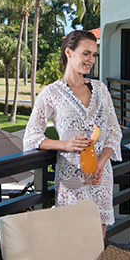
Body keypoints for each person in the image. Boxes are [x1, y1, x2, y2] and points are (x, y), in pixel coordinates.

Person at [23, 30, 122, 236]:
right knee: (73, 240)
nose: (91, 60)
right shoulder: (51, 93)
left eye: (93, 54)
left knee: (97, 241)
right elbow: (32, 135)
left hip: (101, 177)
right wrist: (65, 145)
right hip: (71, 179)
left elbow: (114, 132)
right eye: (86, 53)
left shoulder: (101, 89)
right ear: (69, 52)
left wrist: (102, 163)